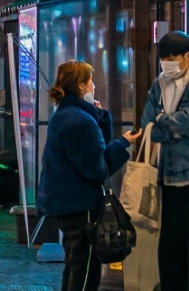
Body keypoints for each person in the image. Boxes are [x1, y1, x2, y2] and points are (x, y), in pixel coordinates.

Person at [124, 31, 189, 291]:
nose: (166, 65)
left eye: (171, 59)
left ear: (187, 57)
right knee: (170, 249)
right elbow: (148, 124)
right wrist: (168, 124)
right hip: (167, 177)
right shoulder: (161, 83)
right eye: (163, 60)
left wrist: (163, 121)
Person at [41, 61, 128, 291]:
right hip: (81, 204)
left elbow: (93, 150)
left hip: (66, 203)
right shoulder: (79, 121)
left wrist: (99, 116)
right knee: (86, 269)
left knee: (74, 263)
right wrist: (123, 144)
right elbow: (97, 168)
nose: (94, 85)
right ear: (81, 87)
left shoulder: (66, 115)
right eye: (90, 81)